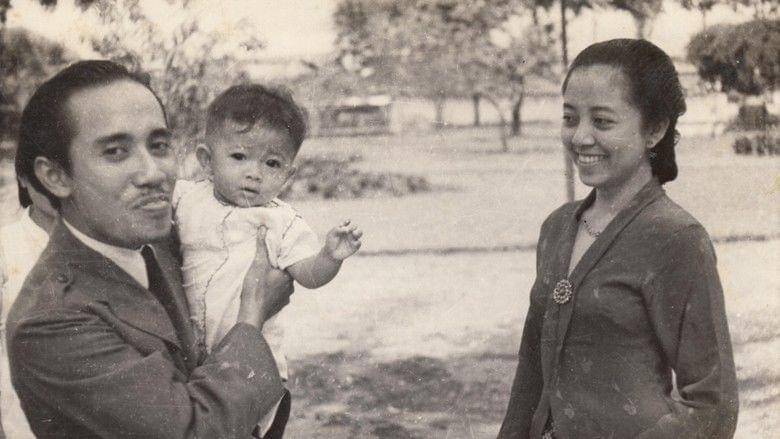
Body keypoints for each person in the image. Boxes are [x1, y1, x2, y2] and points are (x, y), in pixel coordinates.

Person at [6, 60, 294, 438]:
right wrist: (252, 316)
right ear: (56, 177)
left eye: (159, 146)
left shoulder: (156, 242)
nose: (154, 172)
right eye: (115, 152)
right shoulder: (50, 320)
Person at [498, 39, 738, 438]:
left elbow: (712, 401)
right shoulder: (556, 228)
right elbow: (530, 373)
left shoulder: (676, 238)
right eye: (570, 118)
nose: (580, 138)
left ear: (655, 129)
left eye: (603, 122)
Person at [173, 84, 363, 435]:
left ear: (288, 174)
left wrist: (329, 257)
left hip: (255, 363)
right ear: (205, 159)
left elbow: (305, 273)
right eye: (239, 157)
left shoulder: (280, 221)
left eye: (271, 163)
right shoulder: (186, 199)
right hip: (192, 358)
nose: (254, 173)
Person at [0, 155, 59, 438]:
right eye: (43, 175)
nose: (54, 187)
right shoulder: (5, 245)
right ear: (23, 178)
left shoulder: (105, 240)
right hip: (23, 419)